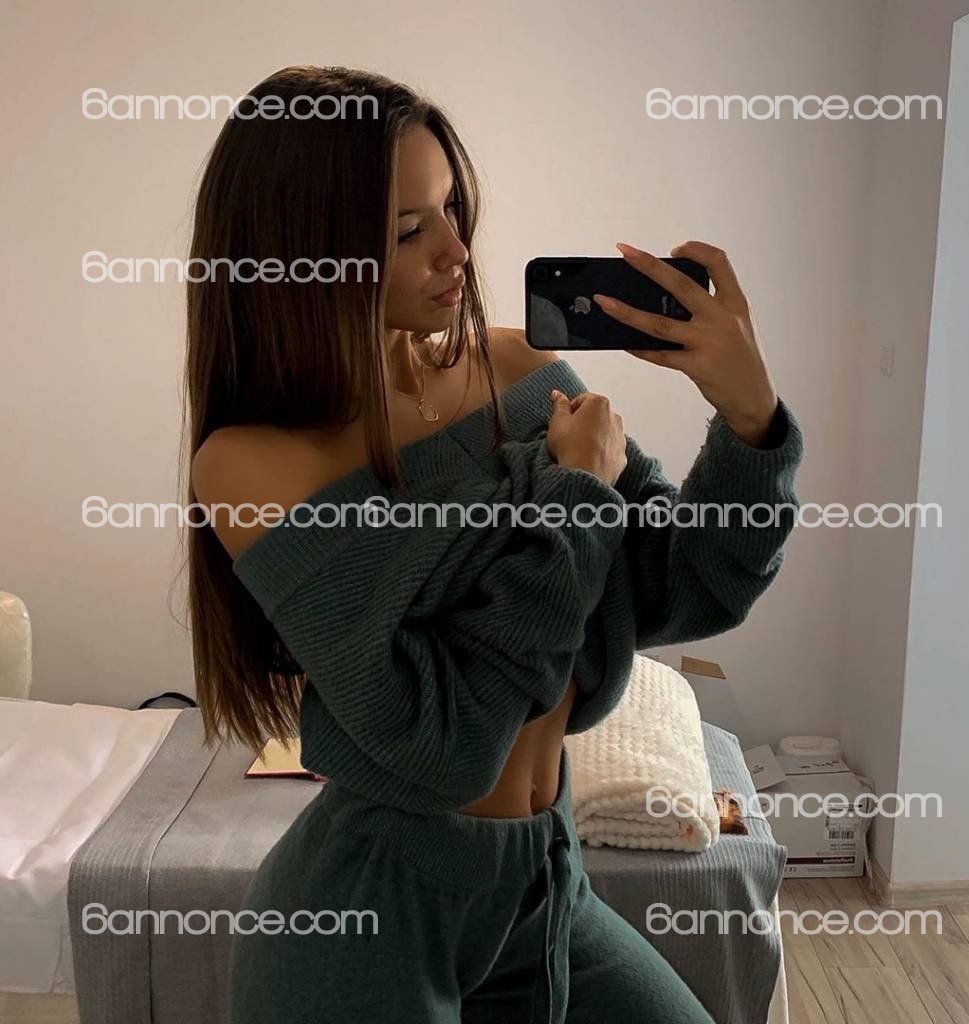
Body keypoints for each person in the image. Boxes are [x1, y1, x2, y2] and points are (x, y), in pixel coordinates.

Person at [184, 65, 802, 1024]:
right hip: (364, 924)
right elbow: (443, 749)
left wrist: (751, 416)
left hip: (543, 886)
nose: (456, 251)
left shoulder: (520, 370)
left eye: (453, 209)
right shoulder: (255, 464)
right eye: (407, 230)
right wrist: (575, 496)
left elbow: (696, 585)